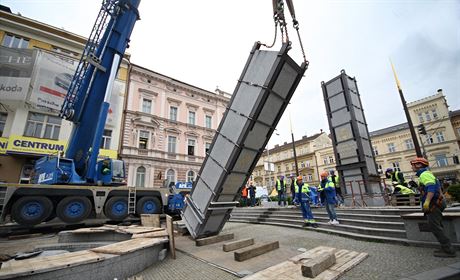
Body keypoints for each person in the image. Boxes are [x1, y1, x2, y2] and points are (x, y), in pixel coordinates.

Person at [411, 157, 456, 258]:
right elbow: (434, 188)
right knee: (438, 225)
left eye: (413, 164)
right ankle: (445, 247)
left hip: (433, 204)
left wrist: (426, 202)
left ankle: (448, 250)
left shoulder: (424, 174)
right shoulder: (427, 174)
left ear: (419, 165)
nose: (412, 167)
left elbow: (431, 188)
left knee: (435, 227)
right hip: (437, 202)